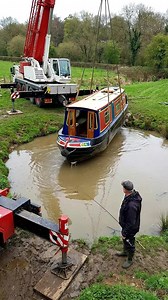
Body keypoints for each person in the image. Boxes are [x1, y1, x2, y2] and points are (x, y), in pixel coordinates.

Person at [116, 180, 142, 269]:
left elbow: (131, 222)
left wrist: (125, 232)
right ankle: (125, 252)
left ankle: (130, 259)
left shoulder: (132, 205)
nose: (122, 188)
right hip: (126, 225)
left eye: (123, 187)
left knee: (129, 242)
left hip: (130, 228)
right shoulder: (130, 195)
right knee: (125, 240)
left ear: (125, 189)